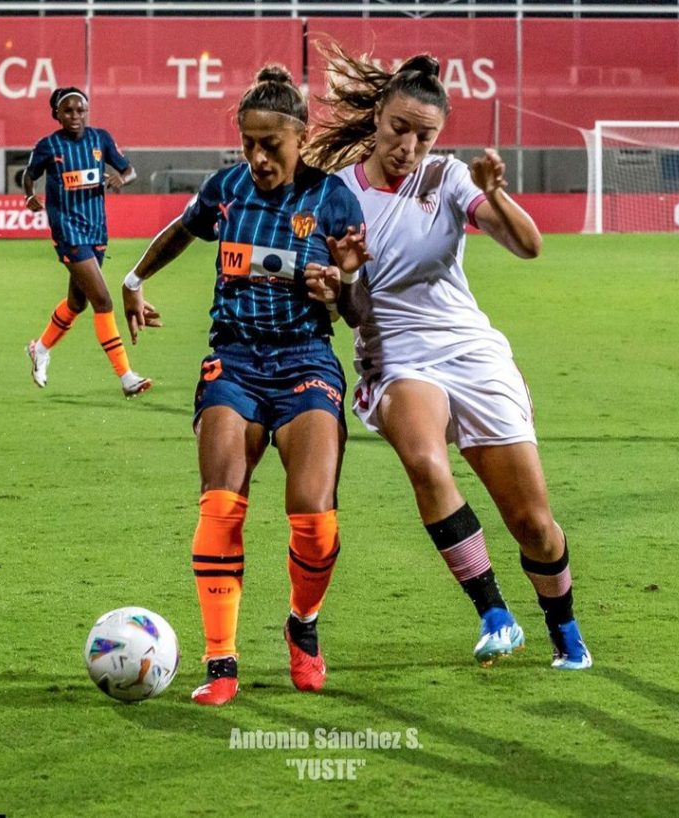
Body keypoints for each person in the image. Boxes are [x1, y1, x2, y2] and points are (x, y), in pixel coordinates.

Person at [303, 48, 592, 670]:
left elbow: (528, 245)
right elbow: (352, 313)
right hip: (397, 356)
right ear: (377, 117)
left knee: (534, 523)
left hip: (470, 351)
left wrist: (498, 196)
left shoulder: (451, 178)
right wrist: (345, 278)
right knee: (428, 464)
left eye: (425, 134)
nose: (409, 145)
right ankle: (495, 614)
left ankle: (564, 629)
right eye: (399, 128)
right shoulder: (337, 195)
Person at [120, 65, 368, 705]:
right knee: (220, 502)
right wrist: (133, 279)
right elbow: (183, 229)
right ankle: (220, 661)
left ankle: (302, 626)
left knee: (314, 518)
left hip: (306, 359)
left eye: (271, 145)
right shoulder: (227, 188)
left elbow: (359, 309)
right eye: (248, 144)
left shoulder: (331, 199)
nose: (257, 157)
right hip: (233, 359)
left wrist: (340, 286)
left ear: (300, 137)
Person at [23, 86, 153, 399]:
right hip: (68, 231)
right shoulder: (49, 145)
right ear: (56, 114)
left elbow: (129, 169)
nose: (75, 116)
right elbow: (29, 174)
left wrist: (123, 178)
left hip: (97, 230)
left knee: (77, 303)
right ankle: (126, 376)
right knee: (103, 301)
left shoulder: (100, 139)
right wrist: (29, 195)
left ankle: (40, 349)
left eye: (80, 110)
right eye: (68, 111)